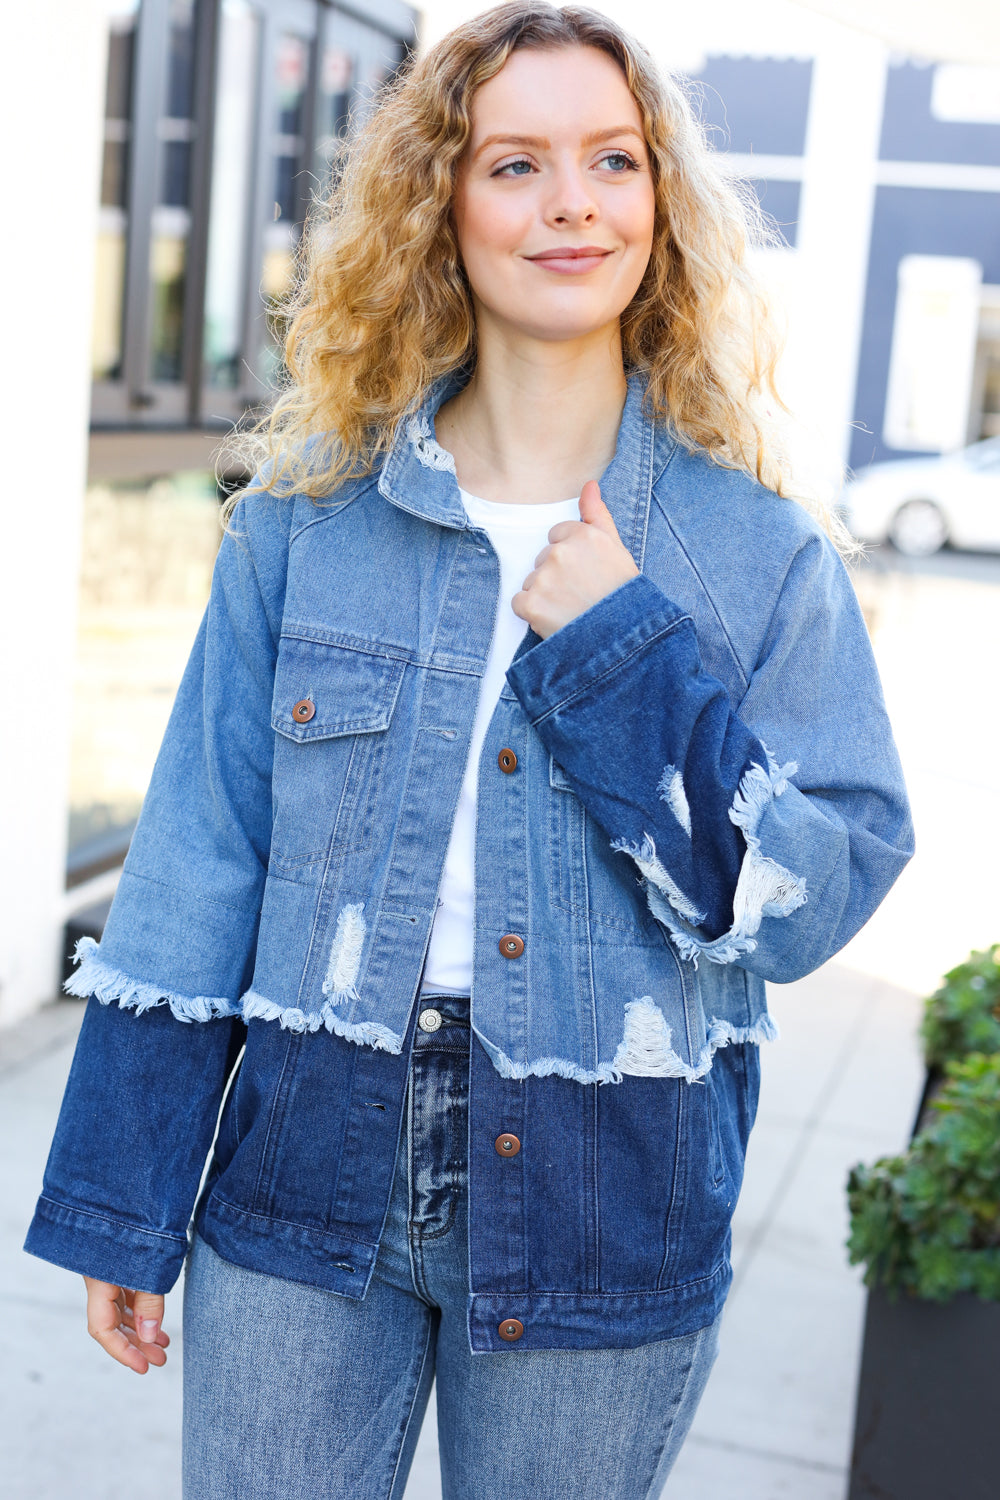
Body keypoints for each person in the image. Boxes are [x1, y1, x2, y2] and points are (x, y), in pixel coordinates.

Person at [25, 4, 914, 1496]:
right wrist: (128, 1189)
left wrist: (621, 652)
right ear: (441, 207)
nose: (571, 202)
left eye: (613, 161)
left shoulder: (760, 558)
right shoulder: (303, 528)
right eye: (516, 164)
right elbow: (196, 863)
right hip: (306, 1163)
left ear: (661, 205)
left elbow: (811, 901)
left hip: (606, 1179)